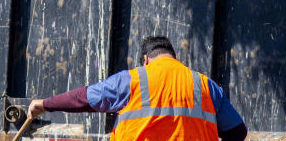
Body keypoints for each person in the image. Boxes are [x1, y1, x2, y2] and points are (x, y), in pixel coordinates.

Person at [28, 36, 247, 141]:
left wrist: (44, 104)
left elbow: (84, 98)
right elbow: (238, 132)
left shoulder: (132, 80)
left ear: (146, 59)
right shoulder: (205, 85)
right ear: (173, 58)